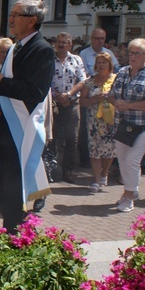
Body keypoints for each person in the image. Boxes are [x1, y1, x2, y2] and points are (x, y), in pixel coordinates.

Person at [0, 0, 54, 233]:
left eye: (16, 14)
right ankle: (9, 242)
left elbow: (36, 92)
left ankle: (18, 244)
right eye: (11, 14)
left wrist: (1, 83)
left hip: (20, 135)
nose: (11, 19)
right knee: (3, 194)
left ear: (32, 20)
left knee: (14, 199)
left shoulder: (42, 49)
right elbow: (4, 94)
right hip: (4, 131)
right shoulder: (17, 47)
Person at [107, 38, 145, 212]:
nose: (132, 56)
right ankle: (133, 190)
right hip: (123, 124)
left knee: (132, 160)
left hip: (144, 125)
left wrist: (129, 105)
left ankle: (128, 197)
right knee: (123, 161)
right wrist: (117, 102)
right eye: (131, 52)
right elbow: (111, 94)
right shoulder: (122, 72)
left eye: (137, 53)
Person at [51, 32, 87, 183]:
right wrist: (57, 95)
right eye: (59, 42)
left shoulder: (76, 59)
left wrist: (69, 94)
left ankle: (68, 171)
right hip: (54, 104)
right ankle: (51, 170)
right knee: (52, 138)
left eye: (64, 42)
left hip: (72, 104)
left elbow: (82, 80)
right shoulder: (48, 58)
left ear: (70, 45)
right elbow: (44, 79)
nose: (61, 45)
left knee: (72, 138)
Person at [79, 52, 116, 192]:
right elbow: (81, 101)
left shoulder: (116, 79)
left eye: (104, 62)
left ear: (110, 65)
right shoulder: (90, 81)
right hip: (94, 122)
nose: (101, 65)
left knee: (110, 151)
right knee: (94, 150)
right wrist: (95, 99)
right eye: (99, 62)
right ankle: (95, 180)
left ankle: (104, 173)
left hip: (111, 121)